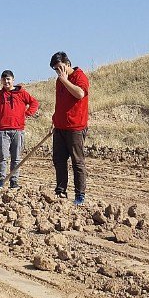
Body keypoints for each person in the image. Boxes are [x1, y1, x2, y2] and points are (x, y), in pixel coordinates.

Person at [0, 69, 39, 189]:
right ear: (1, 81)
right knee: (2, 157)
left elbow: (34, 103)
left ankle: (14, 181)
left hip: (18, 130)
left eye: (8, 79)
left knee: (16, 158)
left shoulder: (22, 93)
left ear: (13, 80)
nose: (6, 81)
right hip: (2, 130)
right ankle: (0, 181)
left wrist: (27, 113)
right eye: (4, 79)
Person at [49, 51, 89, 206]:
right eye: (55, 69)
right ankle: (60, 191)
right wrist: (54, 120)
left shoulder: (79, 76)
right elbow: (60, 103)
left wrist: (65, 80)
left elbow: (80, 94)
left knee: (77, 161)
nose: (58, 71)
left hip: (75, 127)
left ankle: (80, 195)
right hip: (60, 126)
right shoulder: (59, 81)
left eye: (60, 67)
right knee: (59, 160)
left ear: (68, 63)